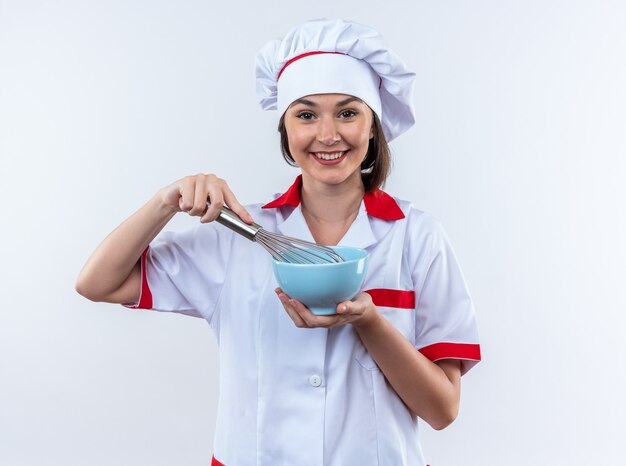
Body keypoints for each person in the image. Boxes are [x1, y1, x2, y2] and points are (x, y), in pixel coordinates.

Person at [76, 18, 481, 466]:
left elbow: (442, 410)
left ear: (373, 127)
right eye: (306, 115)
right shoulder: (238, 235)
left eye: (348, 113)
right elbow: (97, 283)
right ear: (286, 130)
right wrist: (165, 202)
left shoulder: (419, 237)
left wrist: (370, 323)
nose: (327, 134)